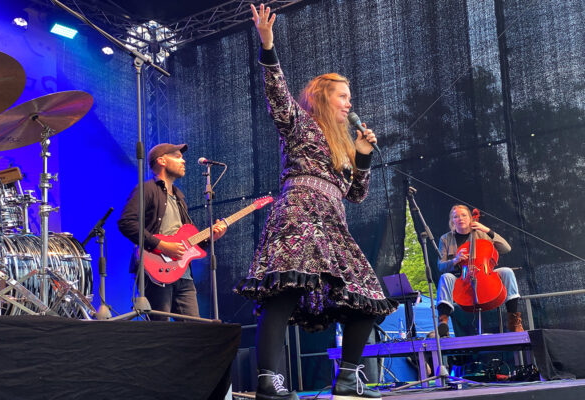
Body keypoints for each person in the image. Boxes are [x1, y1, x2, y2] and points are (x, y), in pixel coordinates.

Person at [234, 5, 397, 400]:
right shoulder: (300, 123)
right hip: (299, 213)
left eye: (350, 97)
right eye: (343, 95)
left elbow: (356, 194)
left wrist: (362, 155)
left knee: (369, 298)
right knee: (284, 293)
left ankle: (348, 377)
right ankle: (267, 382)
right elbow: (277, 95)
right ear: (324, 96)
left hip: (334, 221)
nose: (349, 103)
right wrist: (268, 45)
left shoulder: (344, 144)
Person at [118, 143, 227, 320]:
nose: (183, 160)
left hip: (183, 274)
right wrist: (162, 245)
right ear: (161, 160)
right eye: (177, 156)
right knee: (162, 331)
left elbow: (188, 242)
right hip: (156, 271)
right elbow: (127, 223)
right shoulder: (147, 189)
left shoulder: (179, 197)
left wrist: (210, 238)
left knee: (195, 332)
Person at [436, 204, 524, 337]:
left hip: (484, 272)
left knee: (507, 271)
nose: (460, 218)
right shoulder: (445, 239)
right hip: (461, 277)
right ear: (452, 221)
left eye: (464, 215)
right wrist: (455, 260)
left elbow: (506, 248)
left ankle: (514, 320)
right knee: (445, 277)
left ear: (471, 218)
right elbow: (441, 266)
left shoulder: (482, 233)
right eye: (456, 216)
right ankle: (443, 321)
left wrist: (488, 230)